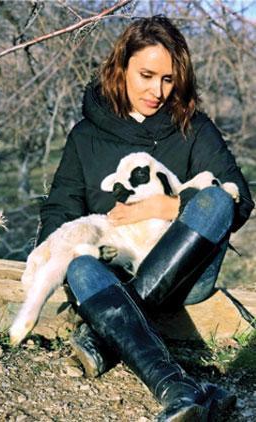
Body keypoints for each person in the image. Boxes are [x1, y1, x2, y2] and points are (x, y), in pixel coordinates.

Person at [37, 16, 253, 421]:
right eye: (147, 75)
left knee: (216, 199)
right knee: (81, 265)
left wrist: (163, 207)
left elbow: (239, 201)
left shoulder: (193, 127)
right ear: (121, 67)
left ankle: (105, 335)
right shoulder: (85, 136)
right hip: (113, 269)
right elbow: (60, 208)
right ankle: (178, 388)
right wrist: (52, 255)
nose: (158, 91)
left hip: (186, 273)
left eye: (169, 79)